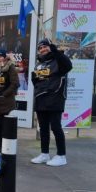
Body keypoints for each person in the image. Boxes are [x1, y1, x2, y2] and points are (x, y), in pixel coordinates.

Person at [31, 39, 73, 167]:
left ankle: (61, 155)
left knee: (55, 127)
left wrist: (56, 51)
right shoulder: (38, 65)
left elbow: (68, 66)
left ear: (50, 47)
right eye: (40, 48)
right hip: (41, 99)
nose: (43, 49)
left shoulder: (59, 61)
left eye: (45, 47)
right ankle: (44, 154)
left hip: (55, 99)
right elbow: (35, 80)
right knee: (43, 128)